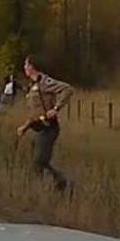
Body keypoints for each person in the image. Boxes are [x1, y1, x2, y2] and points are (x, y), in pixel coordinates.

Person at [16, 55, 73, 191]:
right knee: (38, 162)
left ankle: (61, 184)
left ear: (32, 67)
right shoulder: (32, 86)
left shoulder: (44, 82)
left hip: (49, 128)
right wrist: (25, 127)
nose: (24, 68)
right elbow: (34, 113)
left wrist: (56, 108)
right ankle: (44, 187)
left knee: (39, 161)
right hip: (38, 127)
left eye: (26, 65)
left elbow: (67, 89)